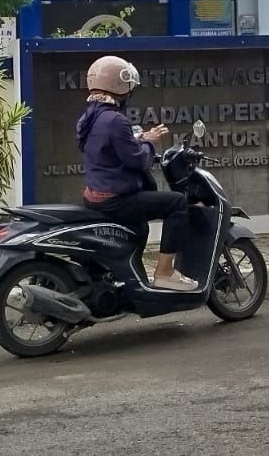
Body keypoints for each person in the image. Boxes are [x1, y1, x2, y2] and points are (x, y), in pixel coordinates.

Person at [76, 54, 197, 291]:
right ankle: (164, 272)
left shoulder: (89, 117)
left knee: (140, 226)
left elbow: (109, 148)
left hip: (96, 195)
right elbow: (137, 160)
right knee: (177, 203)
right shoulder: (115, 120)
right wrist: (150, 142)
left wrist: (138, 137)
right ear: (120, 86)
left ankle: (129, 276)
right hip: (116, 198)